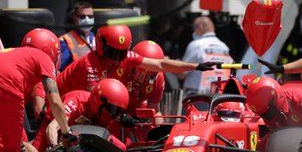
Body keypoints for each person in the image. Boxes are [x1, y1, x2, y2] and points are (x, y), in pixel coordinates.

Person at [58, 24, 216, 94]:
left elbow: (161, 64)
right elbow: (95, 98)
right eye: (113, 53)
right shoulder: (89, 64)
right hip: (64, 105)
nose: (117, 59)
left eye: (121, 54)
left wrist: (196, 66)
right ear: (101, 45)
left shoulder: (127, 58)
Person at [178, 16, 233, 96]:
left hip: (197, 97)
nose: (193, 32)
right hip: (218, 96)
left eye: (194, 28)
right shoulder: (224, 47)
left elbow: (182, 73)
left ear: (200, 27)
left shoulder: (196, 45)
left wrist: (168, 63)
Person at [126, 40, 166, 114]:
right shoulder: (122, 68)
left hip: (139, 113)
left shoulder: (158, 78)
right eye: (141, 72)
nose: (144, 78)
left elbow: (154, 109)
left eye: (151, 75)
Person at [59, 2, 95, 71]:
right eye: (82, 17)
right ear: (75, 18)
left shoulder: (96, 39)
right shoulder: (65, 41)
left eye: (90, 17)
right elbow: (60, 69)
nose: (87, 20)